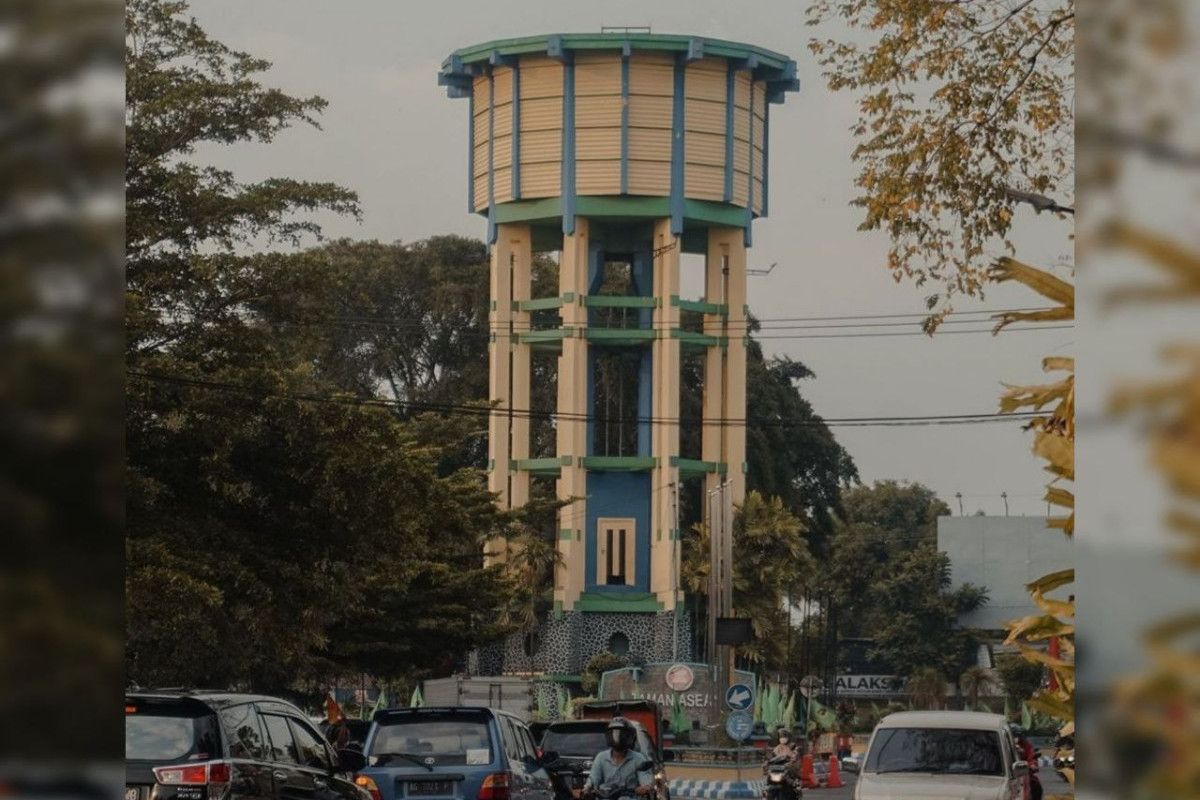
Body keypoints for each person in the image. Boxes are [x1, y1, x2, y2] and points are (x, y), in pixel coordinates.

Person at [582, 718, 653, 798]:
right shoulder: (601, 758)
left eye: (622, 734)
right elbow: (593, 778)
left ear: (629, 736)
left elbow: (646, 781)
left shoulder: (638, 758)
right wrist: (587, 788)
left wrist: (644, 788)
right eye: (614, 733)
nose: (617, 737)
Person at [1011, 727, 1042, 800]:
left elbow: (1031, 757)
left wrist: (1032, 765)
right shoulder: (1003, 744)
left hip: (1022, 773)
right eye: (1014, 735)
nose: (1015, 738)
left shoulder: (1026, 745)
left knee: (1037, 787)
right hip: (1007, 773)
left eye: (1017, 735)